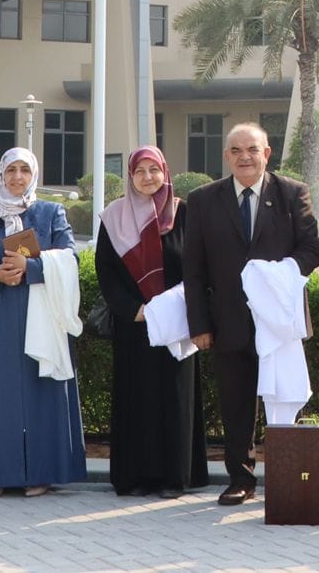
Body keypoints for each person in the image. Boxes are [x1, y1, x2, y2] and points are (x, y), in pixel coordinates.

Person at [184, 124, 319, 505]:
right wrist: (199, 324)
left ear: (267, 153)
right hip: (228, 321)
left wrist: (275, 276)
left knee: (284, 399)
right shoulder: (203, 200)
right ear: (226, 156)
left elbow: (312, 251)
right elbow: (193, 270)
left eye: (252, 149)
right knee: (235, 404)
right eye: (236, 150)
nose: (245, 156)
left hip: (280, 322)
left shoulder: (292, 193)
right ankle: (240, 479)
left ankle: (287, 476)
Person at [0, 146, 87, 498]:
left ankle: (41, 474)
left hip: (43, 314)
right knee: (1, 398)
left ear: (34, 175)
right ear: (1, 174)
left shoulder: (50, 212)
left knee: (41, 395)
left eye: (25, 170)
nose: (17, 177)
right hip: (0, 316)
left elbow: (70, 258)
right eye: (11, 170)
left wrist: (30, 267)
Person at [95, 145, 209, 498]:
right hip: (135, 325)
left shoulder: (184, 213)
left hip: (177, 325)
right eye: (140, 171)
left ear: (165, 172)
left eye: (154, 170)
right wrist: (135, 310)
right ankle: (137, 477)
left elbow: (199, 265)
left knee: (175, 398)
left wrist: (179, 307)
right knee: (137, 397)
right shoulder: (113, 217)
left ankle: (175, 477)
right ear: (130, 176)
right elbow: (106, 273)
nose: (148, 177)